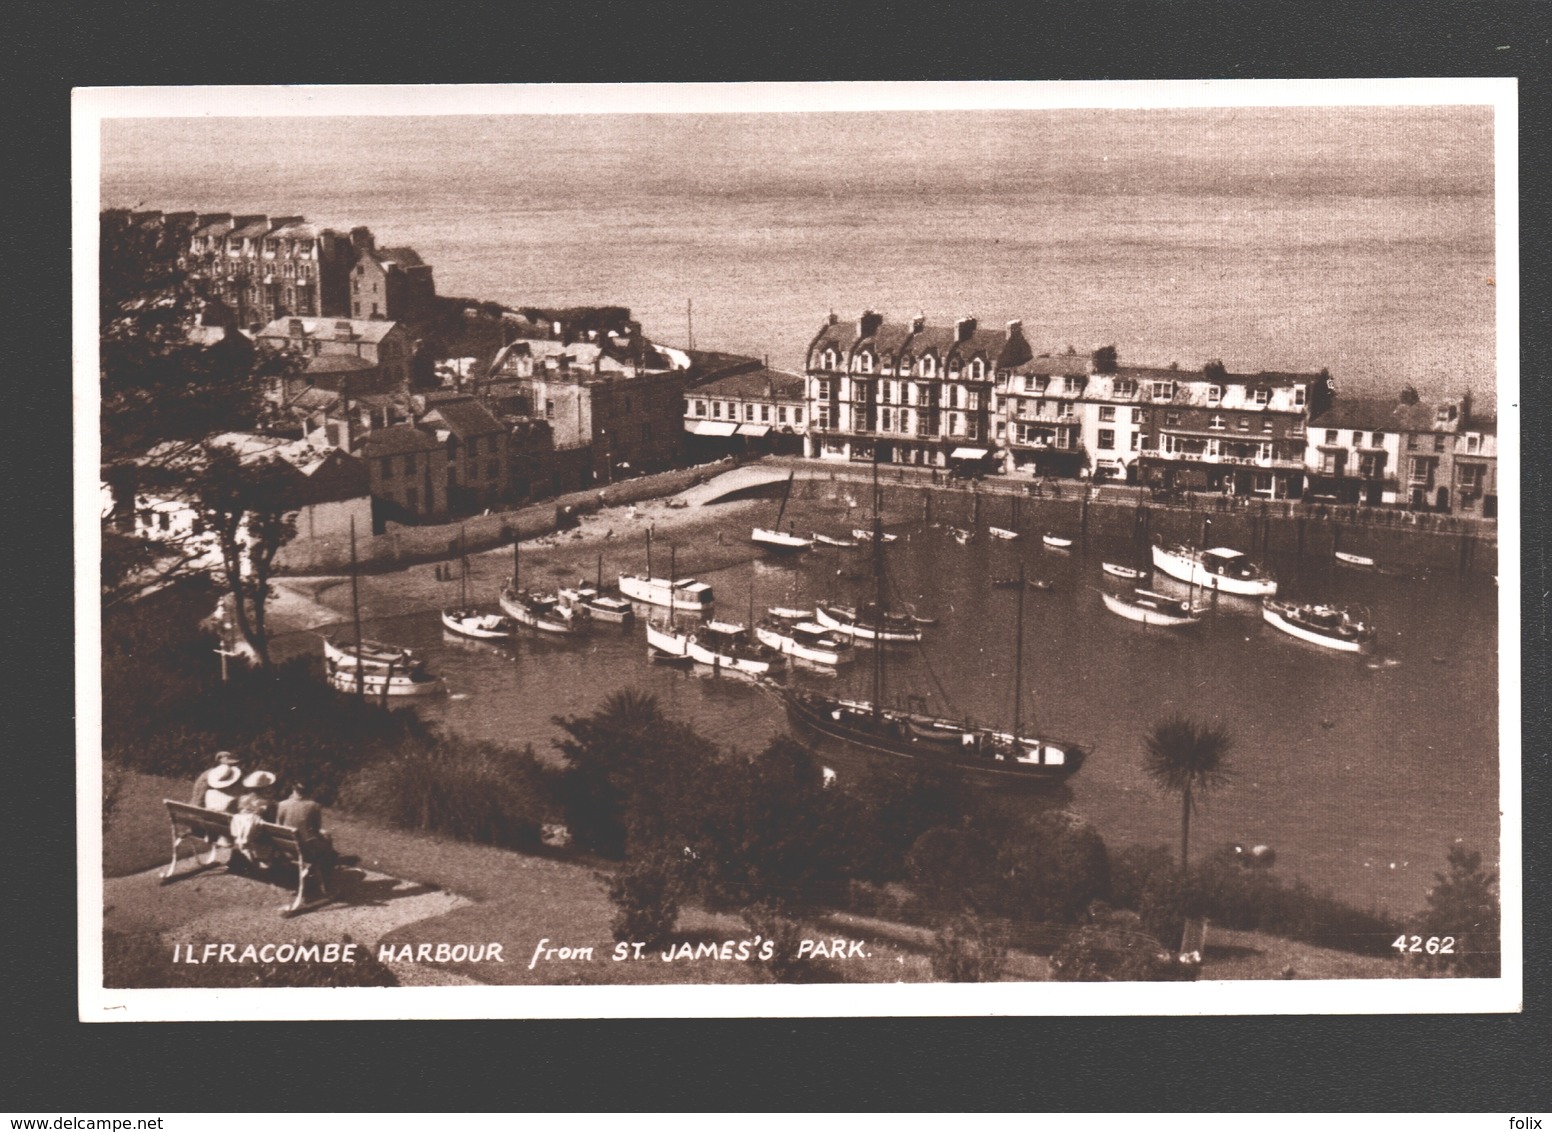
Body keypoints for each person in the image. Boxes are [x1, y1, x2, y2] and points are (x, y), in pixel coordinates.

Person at [276, 781, 338, 893]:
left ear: (293, 790)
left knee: (322, 842)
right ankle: (326, 882)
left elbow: (279, 825)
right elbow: (316, 828)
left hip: (286, 847)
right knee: (327, 842)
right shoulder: (314, 806)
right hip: (306, 849)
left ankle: (302, 878)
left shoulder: (282, 804)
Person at [229, 770, 278, 871]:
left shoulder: (239, 800)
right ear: (266, 787)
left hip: (241, 833)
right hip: (261, 837)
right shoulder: (269, 804)